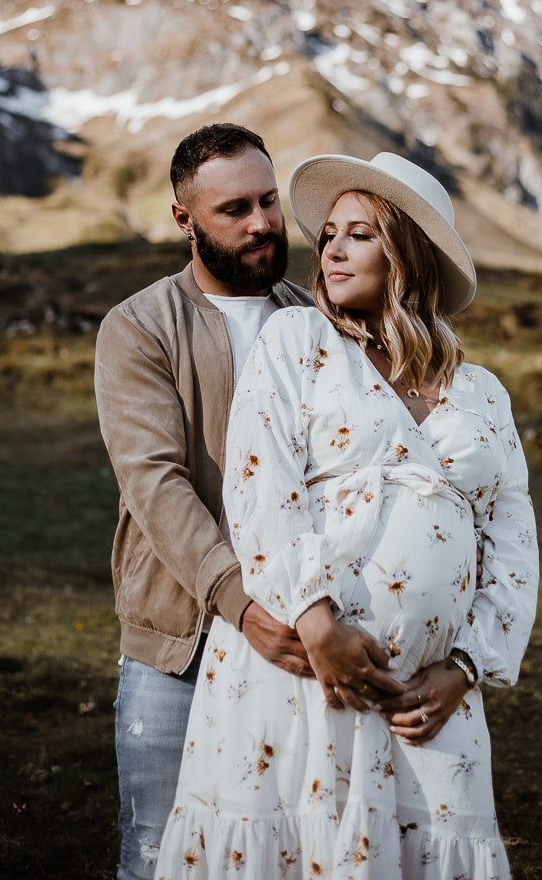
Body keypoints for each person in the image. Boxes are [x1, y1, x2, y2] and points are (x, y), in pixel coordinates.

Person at [155, 150, 539, 879]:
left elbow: (513, 542)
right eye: (328, 232)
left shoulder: (482, 392)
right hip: (303, 676)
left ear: (409, 252)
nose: (329, 247)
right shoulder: (296, 343)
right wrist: (316, 620)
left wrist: (465, 667)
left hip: (426, 701)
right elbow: (259, 489)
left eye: (358, 233)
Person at [95, 123, 346, 880]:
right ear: (185, 220)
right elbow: (153, 482)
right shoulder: (139, 327)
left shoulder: (320, 319)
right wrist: (242, 603)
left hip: (305, 630)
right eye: (234, 208)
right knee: (161, 851)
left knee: (290, 851)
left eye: (268, 200)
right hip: (180, 641)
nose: (263, 222)